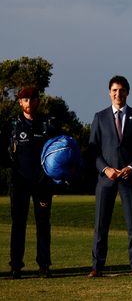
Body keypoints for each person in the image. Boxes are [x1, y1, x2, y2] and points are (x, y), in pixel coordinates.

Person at [89, 75, 132, 277]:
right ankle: (97, 266)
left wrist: (131, 168)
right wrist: (105, 169)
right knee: (100, 225)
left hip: (128, 179)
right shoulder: (100, 117)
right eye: (114, 90)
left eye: (122, 90)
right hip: (106, 179)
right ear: (109, 92)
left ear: (127, 92)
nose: (118, 94)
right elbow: (93, 150)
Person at [1, 86, 60, 279]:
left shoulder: (49, 124)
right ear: (19, 102)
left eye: (32, 99)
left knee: (43, 224)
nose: (29, 103)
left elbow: (61, 150)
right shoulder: (12, 126)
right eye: (25, 100)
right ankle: (16, 266)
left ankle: (44, 265)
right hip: (19, 183)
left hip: (43, 183)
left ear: (38, 101)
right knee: (18, 224)